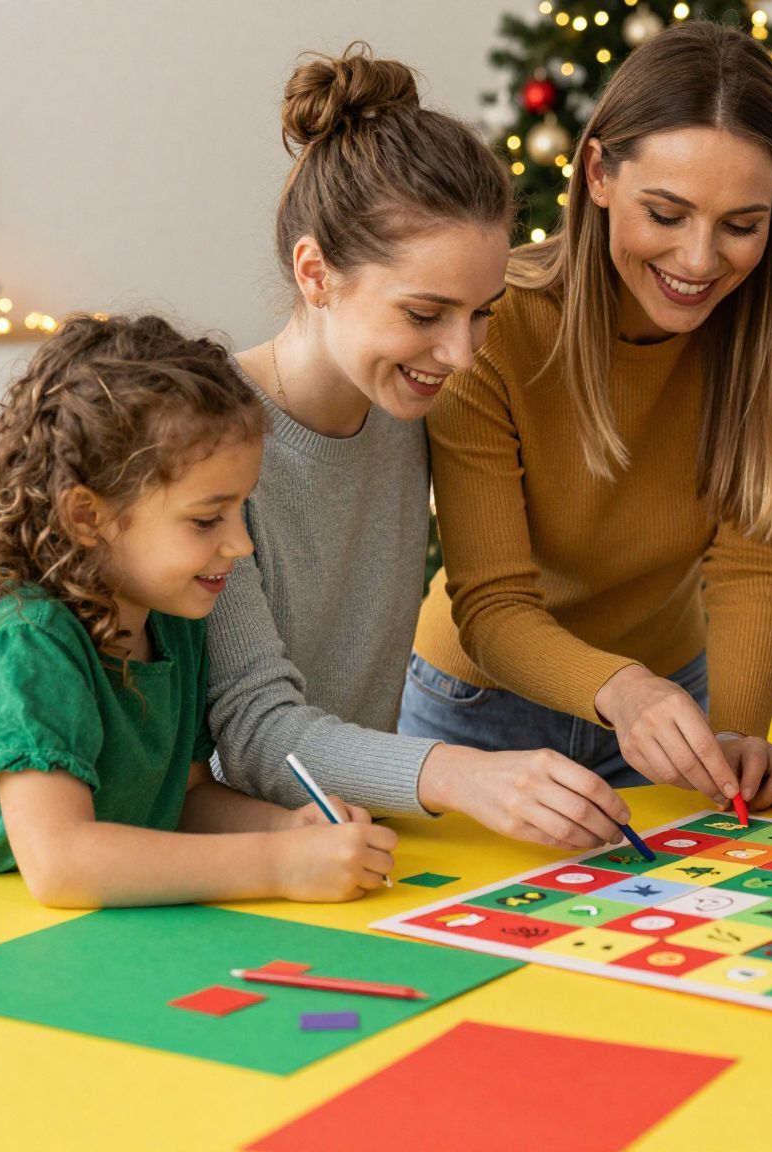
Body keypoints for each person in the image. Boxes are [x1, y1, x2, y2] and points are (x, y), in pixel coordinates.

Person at [207, 45, 633, 853]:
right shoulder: (209, 440)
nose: (462, 355)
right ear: (316, 273)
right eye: (426, 313)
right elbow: (253, 736)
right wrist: (463, 773)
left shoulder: (408, 408)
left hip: (352, 846)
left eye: (482, 314)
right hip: (226, 861)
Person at [402, 21, 772, 815]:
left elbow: (755, 558)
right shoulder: (495, 323)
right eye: (666, 214)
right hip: (479, 712)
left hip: (675, 706)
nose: (700, 261)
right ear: (597, 172)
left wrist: (737, 731)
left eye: (742, 225)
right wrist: (621, 688)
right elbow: (495, 604)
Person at [0, 315, 396, 904]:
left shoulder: (171, 622)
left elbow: (184, 798)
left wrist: (285, 827)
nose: (241, 546)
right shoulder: (29, 639)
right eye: (205, 519)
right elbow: (62, 862)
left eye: (242, 509)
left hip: (110, 936)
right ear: (87, 516)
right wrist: (278, 863)